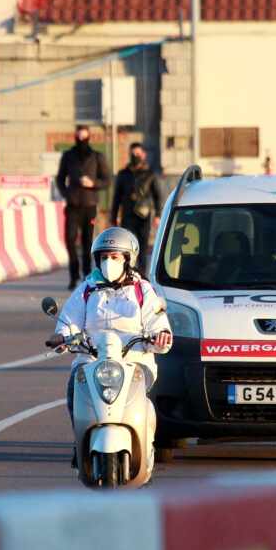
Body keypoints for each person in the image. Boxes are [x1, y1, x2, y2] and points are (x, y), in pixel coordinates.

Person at [46, 228, 173, 461]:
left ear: (128, 259)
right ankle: (80, 441)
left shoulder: (143, 290)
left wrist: (161, 335)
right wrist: (63, 336)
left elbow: (158, 321)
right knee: (74, 388)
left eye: (114, 257)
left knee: (140, 398)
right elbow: (69, 321)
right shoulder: (86, 289)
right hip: (92, 358)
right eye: (104, 257)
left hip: (133, 360)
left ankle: (145, 446)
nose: (108, 262)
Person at [55, 125, 111, 290]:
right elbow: (60, 178)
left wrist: (93, 183)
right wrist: (67, 193)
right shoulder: (68, 156)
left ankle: (87, 275)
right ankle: (74, 275)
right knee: (70, 239)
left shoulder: (96, 156)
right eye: (79, 137)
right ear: (75, 137)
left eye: (84, 137)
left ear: (89, 138)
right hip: (73, 205)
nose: (81, 140)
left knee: (88, 242)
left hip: (89, 205)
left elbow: (107, 180)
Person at [110, 142, 164, 268]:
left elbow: (157, 196)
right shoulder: (123, 174)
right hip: (127, 215)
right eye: (133, 154)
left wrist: (158, 215)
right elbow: (116, 197)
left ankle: (142, 274)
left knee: (142, 246)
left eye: (138, 154)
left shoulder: (150, 174)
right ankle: (128, 271)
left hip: (143, 216)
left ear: (143, 155)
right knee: (127, 245)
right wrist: (113, 217)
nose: (135, 156)